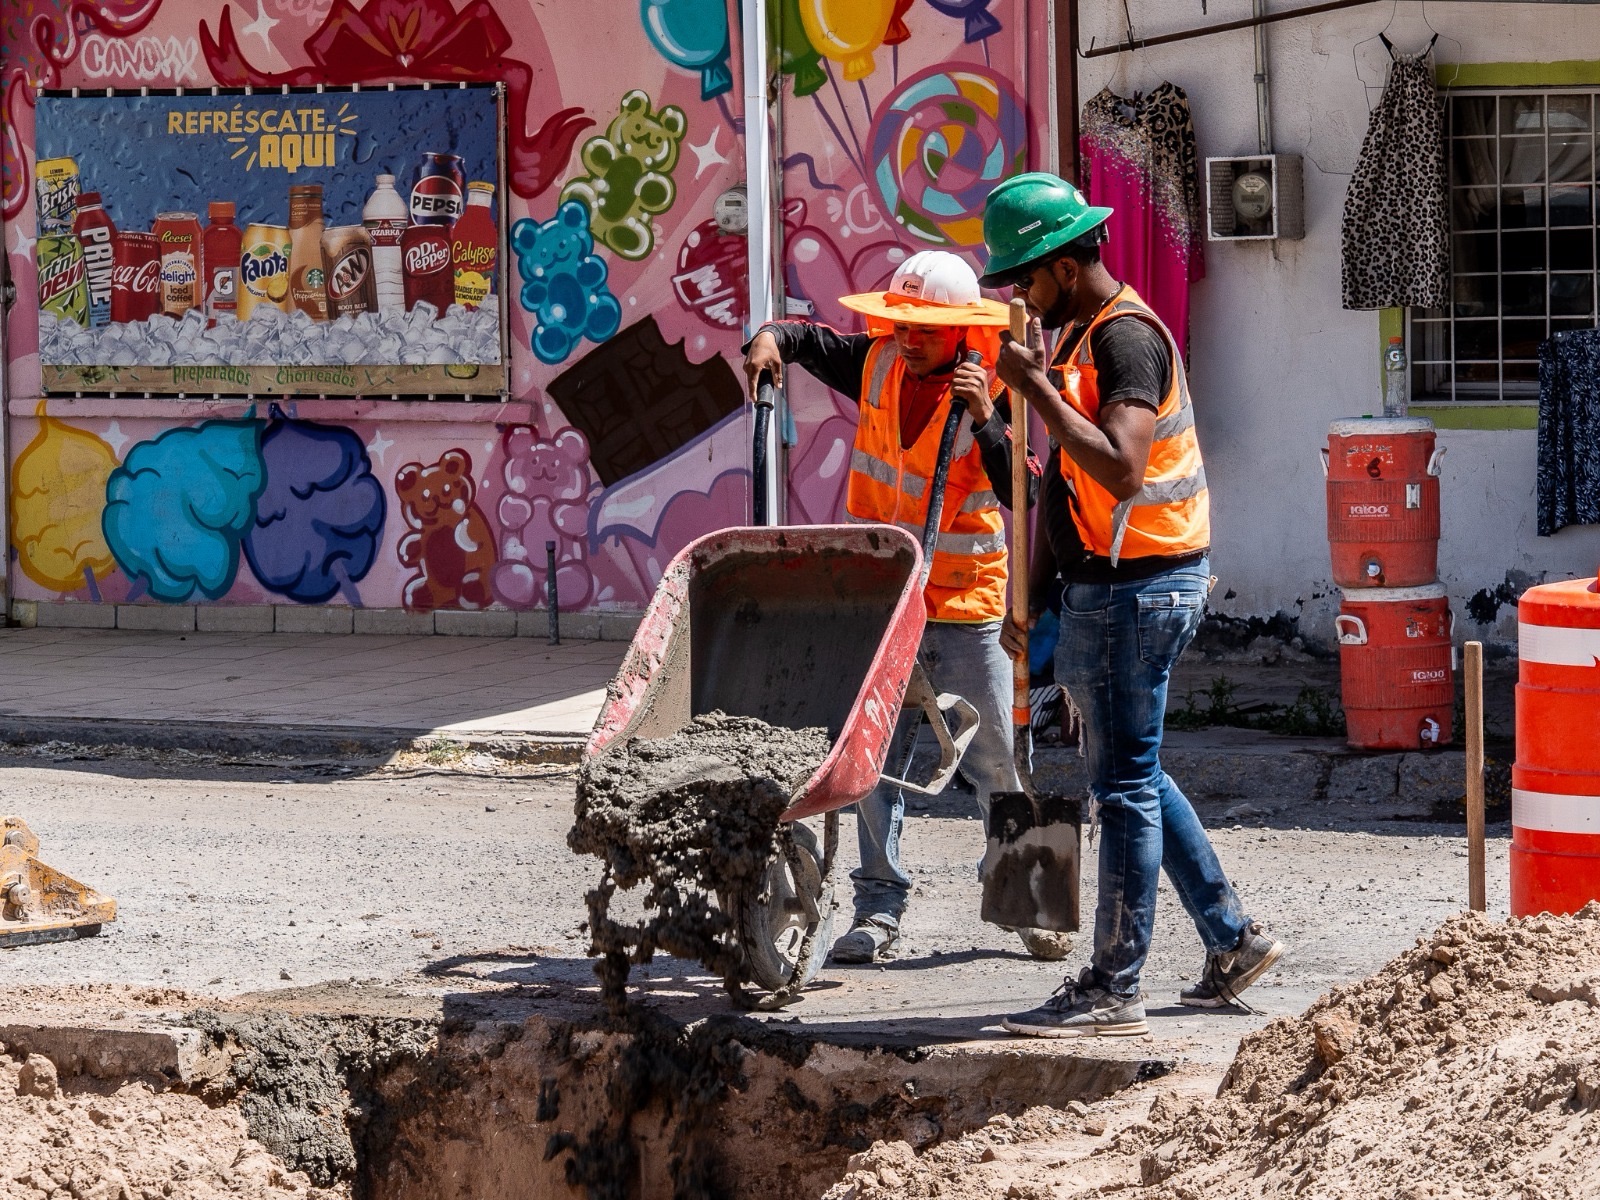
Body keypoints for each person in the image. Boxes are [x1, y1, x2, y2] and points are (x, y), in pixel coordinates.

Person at [977, 173, 1283, 1036]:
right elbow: (1058, 483)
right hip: (1110, 585)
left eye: (1022, 278)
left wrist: (1034, 391)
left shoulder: (1126, 340)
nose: (1016, 296)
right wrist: (1033, 596)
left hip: (1139, 588)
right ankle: (1232, 939)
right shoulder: (1076, 336)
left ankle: (1114, 985)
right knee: (1134, 773)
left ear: (1063, 267)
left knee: (1122, 789)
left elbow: (1120, 466)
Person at [742, 250, 1068, 965]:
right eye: (902, 324)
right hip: (884, 598)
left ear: (960, 329)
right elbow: (810, 340)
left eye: (925, 328)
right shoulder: (879, 363)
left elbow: (1023, 491)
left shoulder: (996, 383)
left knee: (996, 758)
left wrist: (984, 417)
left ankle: (1033, 903)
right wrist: (768, 339)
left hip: (964, 599)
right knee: (869, 760)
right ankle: (878, 908)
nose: (910, 339)